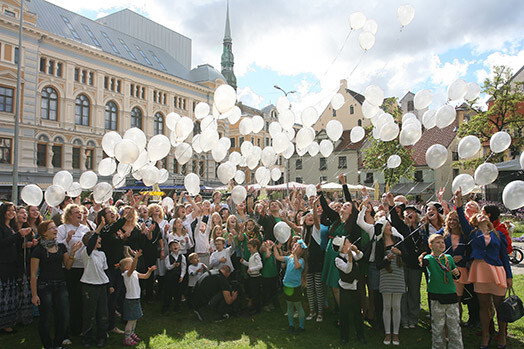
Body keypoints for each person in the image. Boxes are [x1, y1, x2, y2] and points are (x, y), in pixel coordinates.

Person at [455, 189, 512, 349]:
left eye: (483, 214)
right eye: (478, 215)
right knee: (484, 306)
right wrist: (458, 200)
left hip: (497, 272)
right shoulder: (472, 233)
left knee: (500, 305)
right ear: (474, 220)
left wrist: (509, 276)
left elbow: (504, 257)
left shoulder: (498, 234)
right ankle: (486, 335)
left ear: (488, 219)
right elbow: (460, 215)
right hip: (480, 272)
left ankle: (502, 334)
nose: (481, 215)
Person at [30, 220, 82, 349]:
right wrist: (34, 295)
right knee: (45, 318)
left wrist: (73, 252)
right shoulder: (38, 250)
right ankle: (48, 345)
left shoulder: (61, 247)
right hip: (44, 286)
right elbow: (33, 275)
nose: (55, 230)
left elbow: (68, 266)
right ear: (43, 232)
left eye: (55, 227)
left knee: (64, 316)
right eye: (52, 228)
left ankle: (58, 344)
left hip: (60, 285)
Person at [419, 234, 463, 349]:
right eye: (437, 243)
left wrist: (457, 274)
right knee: (438, 327)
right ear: (431, 246)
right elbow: (424, 263)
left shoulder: (448, 258)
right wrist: (421, 260)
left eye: (442, 242)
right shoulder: (429, 258)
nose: (441, 244)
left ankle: (456, 346)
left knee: (454, 326)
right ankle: (438, 346)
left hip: (451, 294)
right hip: (436, 296)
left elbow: (456, 275)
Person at [57, 204, 91, 337]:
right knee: (71, 299)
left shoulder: (85, 228)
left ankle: (82, 327)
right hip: (69, 268)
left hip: (83, 267)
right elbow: (57, 246)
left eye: (81, 212)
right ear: (69, 215)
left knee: (82, 299)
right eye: (76, 212)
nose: (79, 214)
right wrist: (68, 239)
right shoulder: (63, 228)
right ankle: (69, 329)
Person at [0, 202, 32, 334]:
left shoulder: (11, 227)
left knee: (11, 293)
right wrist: (19, 235)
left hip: (13, 263)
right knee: (4, 294)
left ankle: (9, 321)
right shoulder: (2, 227)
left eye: (13, 210)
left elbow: (14, 245)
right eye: (9, 210)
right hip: (3, 264)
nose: (11, 212)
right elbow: (3, 244)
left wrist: (26, 243)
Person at [375, 217, 406, 346]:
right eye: (387, 225)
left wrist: (399, 252)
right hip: (386, 277)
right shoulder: (379, 243)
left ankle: (396, 334)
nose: (390, 227)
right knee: (387, 306)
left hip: (398, 277)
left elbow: (407, 256)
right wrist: (387, 259)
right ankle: (388, 333)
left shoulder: (398, 240)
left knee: (397, 306)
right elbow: (378, 265)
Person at [80, 228, 109, 347]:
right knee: (89, 313)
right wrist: (97, 229)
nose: (100, 239)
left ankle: (101, 336)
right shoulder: (86, 252)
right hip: (89, 286)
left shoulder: (102, 254)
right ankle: (87, 337)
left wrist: (110, 285)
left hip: (101, 285)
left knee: (102, 312)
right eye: (98, 238)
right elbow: (91, 245)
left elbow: (105, 270)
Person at [120, 250, 156, 346]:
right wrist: (136, 258)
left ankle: (132, 333)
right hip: (130, 299)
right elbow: (132, 268)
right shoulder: (127, 274)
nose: (133, 264)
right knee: (131, 320)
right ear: (125, 267)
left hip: (136, 298)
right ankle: (127, 338)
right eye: (131, 263)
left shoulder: (134, 272)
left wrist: (150, 271)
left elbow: (145, 276)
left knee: (135, 319)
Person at [334, 236, 366, 345]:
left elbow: (360, 256)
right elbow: (347, 270)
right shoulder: (338, 259)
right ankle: (344, 337)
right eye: (347, 242)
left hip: (355, 287)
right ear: (343, 247)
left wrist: (356, 251)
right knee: (344, 314)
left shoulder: (351, 253)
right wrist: (351, 258)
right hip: (345, 289)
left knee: (358, 312)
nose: (350, 243)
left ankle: (360, 335)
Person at [273, 239, 307, 333]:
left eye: (297, 246)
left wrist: (295, 255)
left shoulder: (301, 260)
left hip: (295, 287)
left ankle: (301, 327)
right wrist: (275, 247)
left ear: (301, 250)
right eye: (294, 246)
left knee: (298, 305)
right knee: (290, 305)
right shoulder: (289, 258)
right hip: (287, 285)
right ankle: (291, 325)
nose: (294, 247)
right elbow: (278, 257)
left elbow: (297, 266)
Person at [163, 240, 186, 313]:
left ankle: (177, 307)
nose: (175, 246)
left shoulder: (182, 257)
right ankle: (166, 307)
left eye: (176, 245)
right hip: (170, 277)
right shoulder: (168, 257)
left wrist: (182, 276)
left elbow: (183, 267)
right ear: (170, 248)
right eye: (173, 245)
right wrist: (173, 265)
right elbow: (167, 267)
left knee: (178, 292)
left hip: (178, 277)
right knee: (168, 292)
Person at [240, 238, 263, 315]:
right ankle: (253, 306)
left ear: (255, 247)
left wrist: (251, 269)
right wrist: (244, 262)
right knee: (253, 292)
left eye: (250, 248)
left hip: (256, 277)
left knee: (256, 293)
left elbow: (260, 265)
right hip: (252, 277)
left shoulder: (256, 255)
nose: (249, 249)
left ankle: (257, 308)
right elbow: (251, 264)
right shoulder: (252, 255)